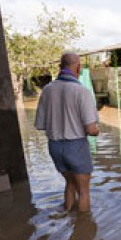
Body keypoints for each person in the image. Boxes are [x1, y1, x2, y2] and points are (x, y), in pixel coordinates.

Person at [35, 52, 99, 213]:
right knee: (84, 191)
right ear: (78, 67)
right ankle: (83, 229)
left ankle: (66, 213)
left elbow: (41, 125)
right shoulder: (81, 91)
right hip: (75, 146)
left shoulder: (47, 90)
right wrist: (97, 131)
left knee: (70, 183)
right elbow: (91, 129)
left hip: (55, 147)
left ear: (60, 67)